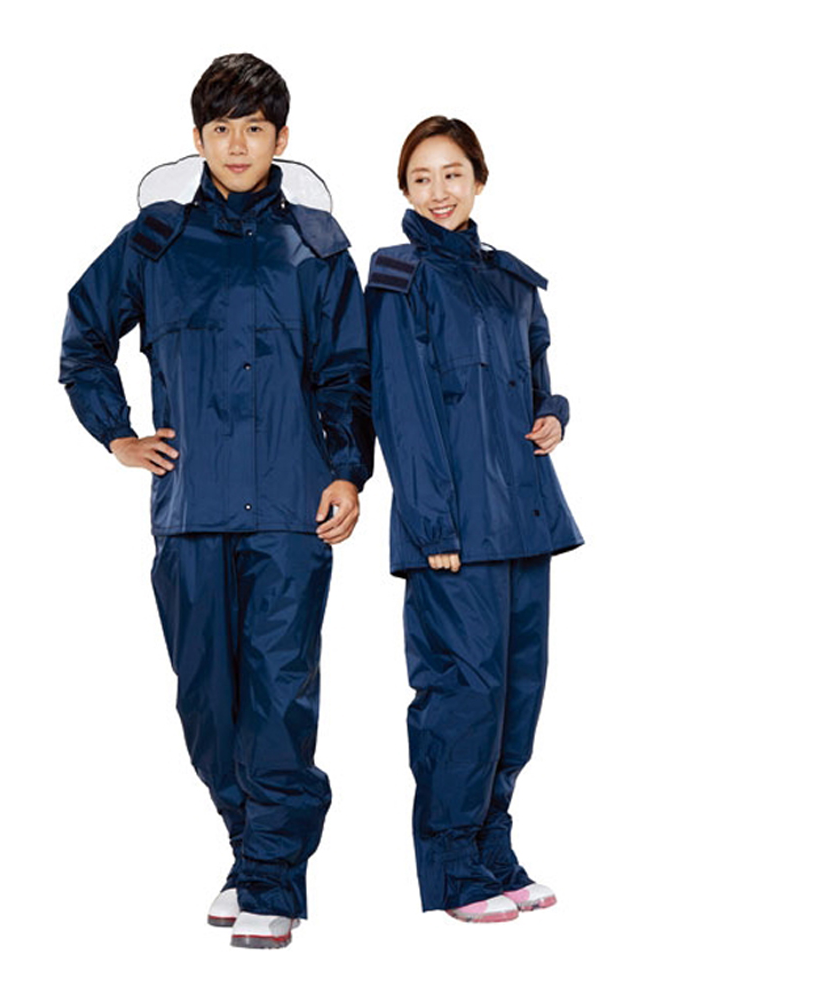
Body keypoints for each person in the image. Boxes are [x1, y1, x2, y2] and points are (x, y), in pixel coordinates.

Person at [59, 54, 373, 949]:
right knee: (206, 703)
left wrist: (347, 471)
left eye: (255, 129)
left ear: (282, 137)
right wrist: (117, 434)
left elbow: (349, 374)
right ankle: (251, 849)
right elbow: (83, 339)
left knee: (278, 699)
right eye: (222, 129)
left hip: (289, 511)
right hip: (190, 508)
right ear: (197, 138)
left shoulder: (317, 247)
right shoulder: (154, 240)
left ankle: (273, 877)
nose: (238, 146)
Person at [365, 116, 582, 923]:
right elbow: (402, 410)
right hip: (453, 533)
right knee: (463, 698)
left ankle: (494, 849)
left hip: (526, 518)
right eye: (421, 178)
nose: (439, 191)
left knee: (517, 696)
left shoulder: (511, 282)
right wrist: (434, 530)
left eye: (452, 174)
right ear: (405, 188)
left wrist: (555, 414)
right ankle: (455, 868)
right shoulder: (399, 277)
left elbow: (539, 377)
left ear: (479, 181)